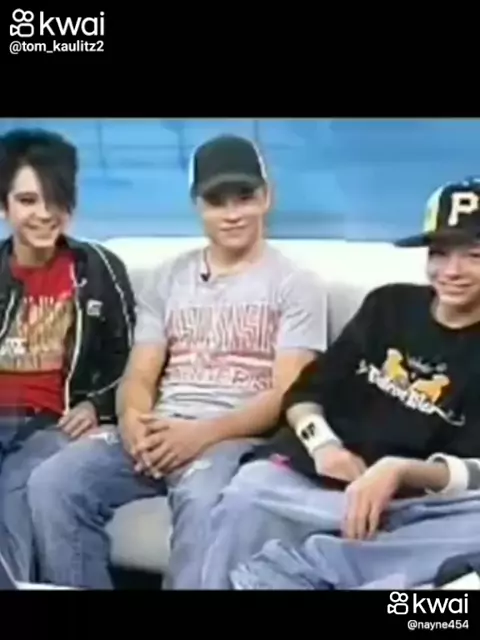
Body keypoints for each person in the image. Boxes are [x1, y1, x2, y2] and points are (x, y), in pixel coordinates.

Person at [26, 134, 328, 589]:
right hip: (160, 427)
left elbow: (288, 394)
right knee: (52, 482)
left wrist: (199, 436)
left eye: (244, 197)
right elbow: (141, 372)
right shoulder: (169, 277)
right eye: (216, 201)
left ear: (266, 198)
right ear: (197, 205)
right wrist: (133, 420)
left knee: (206, 502)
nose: (232, 213)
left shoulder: (296, 284)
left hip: (235, 438)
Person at [199, 178, 480, 590]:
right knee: (247, 496)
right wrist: (324, 445)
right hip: (308, 482)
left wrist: (399, 470)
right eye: (439, 254)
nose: (452, 271)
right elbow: (304, 395)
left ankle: (307, 570)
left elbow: (474, 473)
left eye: (473, 256)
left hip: (411, 508)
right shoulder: (388, 305)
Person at [0, 128, 135, 582]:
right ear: (4, 207)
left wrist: (97, 405)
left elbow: (131, 358)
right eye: (27, 200)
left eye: (55, 199)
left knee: (16, 488)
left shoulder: (98, 269)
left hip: (52, 423)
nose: (43, 214)